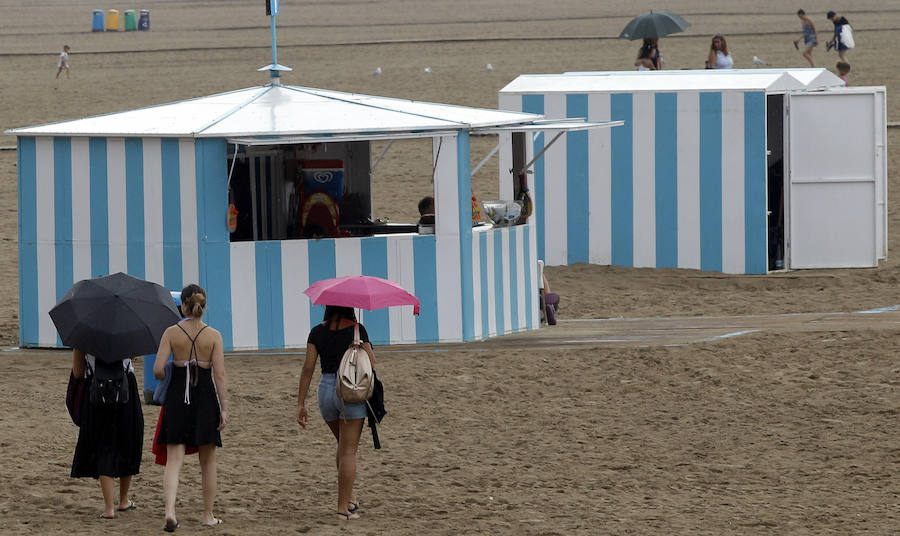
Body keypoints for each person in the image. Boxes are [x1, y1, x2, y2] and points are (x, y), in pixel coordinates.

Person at [153, 284, 229, 532]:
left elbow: (157, 370)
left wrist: (171, 370)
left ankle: (170, 512)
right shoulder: (214, 335)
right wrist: (224, 408)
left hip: (178, 397)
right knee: (208, 462)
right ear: (202, 306)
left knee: (174, 460)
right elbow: (220, 375)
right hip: (205, 397)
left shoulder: (170, 332)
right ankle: (207, 515)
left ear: (183, 305)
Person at [297, 305, 377, 521]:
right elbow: (371, 362)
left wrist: (300, 403)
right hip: (350, 390)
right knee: (349, 452)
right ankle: (343, 509)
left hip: (325, 391)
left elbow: (308, 368)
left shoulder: (317, 332)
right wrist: (359, 345)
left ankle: (349, 497)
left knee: (343, 446)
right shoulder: (357, 330)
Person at [70, 349, 144, 519]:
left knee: (104, 445)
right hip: (125, 389)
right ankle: (124, 500)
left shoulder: (84, 335)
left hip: (96, 391)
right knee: (127, 440)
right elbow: (132, 357)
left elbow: (78, 372)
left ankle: (109, 508)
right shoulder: (127, 332)